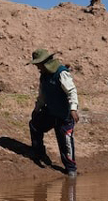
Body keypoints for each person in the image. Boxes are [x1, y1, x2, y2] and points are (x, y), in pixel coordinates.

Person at [28, 48, 79, 177]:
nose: (37, 68)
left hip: (64, 115)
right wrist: (37, 108)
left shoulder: (61, 73)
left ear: (45, 63)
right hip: (50, 112)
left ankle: (71, 169)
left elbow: (71, 91)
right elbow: (42, 95)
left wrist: (73, 109)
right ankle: (39, 153)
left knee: (65, 143)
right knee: (35, 125)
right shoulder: (44, 76)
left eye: (38, 65)